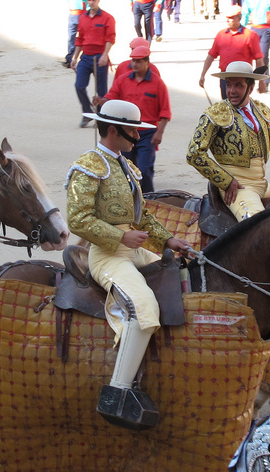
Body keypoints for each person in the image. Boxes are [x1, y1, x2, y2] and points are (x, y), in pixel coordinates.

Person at [65, 99, 191, 427]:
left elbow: (143, 216)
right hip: (107, 255)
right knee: (144, 308)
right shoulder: (89, 164)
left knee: (184, 276)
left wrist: (168, 241)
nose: (137, 135)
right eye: (132, 129)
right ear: (112, 129)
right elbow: (77, 219)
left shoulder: (126, 165)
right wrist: (120, 238)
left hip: (132, 248)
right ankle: (118, 392)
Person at [187, 61, 270, 220]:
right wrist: (226, 181)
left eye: (238, 85)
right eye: (228, 85)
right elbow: (194, 154)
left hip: (262, 184)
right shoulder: (215, 113)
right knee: (258, 227)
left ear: (250, 88)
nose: (231, 91)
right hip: (238, 187)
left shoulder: (261, 109)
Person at [94, 43, 171, 192]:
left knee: (144, 170)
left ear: (147, 62)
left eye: (139, 61)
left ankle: (149, 200)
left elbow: (165, 112)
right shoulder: (122, 80)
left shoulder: (158, 84)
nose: (134, 64)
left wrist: (159, 132)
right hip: (125, 132)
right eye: (133, 61)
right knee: (126, 169)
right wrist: (102, 101)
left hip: (147, 133)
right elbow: (112, 97)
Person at [199, 4, 265, 99]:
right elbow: (211, 56)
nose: (228, 21)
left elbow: (259, 59)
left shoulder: (250, 35)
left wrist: (261, 81)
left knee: (240, 104)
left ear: (239, 18)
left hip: (243, 78)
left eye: (231, 18)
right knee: (227, 106)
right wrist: (203, 75)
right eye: (227, 18)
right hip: (226, 76)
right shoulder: (221, 35)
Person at [71, 0, 115, 127]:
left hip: (99, 57)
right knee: (79, 85)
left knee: (101, 90)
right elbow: (80, 39)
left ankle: (101, 117)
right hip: (86, 57)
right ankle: (87, 112)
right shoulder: (82, 18)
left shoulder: (107, 18)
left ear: (98, 0)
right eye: (89, 0)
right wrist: (74, 57)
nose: (91, 2)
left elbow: (110, 38)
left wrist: (104, 55)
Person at [63, 0, 88, 68]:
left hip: (83, 15)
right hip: (72, 15)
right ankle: (70, 58)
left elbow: (89, 3)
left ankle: (83, 57)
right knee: (71, 37)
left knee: (84, 37)